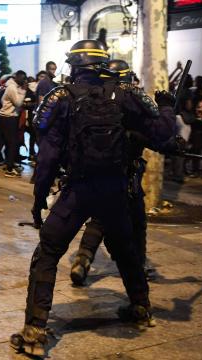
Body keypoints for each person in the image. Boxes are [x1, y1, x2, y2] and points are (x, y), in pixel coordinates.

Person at [10, 40, 176, 357]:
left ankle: (34, 330)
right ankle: (141, 307)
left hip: (78, 190)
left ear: (73, 65)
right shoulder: (126, 95)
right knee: (126, 251)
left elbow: (47, 157)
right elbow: (162, 133)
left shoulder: (60, 97)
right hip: (114, 191)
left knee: (47, 253)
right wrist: (167, 105)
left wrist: (39, 199)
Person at [69, 59, 175, 286]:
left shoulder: (94, 100)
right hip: (125, 178)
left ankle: (83, 257)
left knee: (98, 219)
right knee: (136, 223)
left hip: (97, 175)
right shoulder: (131, 103)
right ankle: (139, 270)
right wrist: (166, 110)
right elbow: (158, 135)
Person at [0, 70, 27, 177]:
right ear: (16, 77)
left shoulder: (11, 86)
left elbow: (7, 101)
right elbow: (18, 102)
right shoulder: (12, 88)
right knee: (12, 143)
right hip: (8, 118)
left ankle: (8, 162)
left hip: (5, 117)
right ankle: (9, 169)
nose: (24, 80)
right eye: (22, 78)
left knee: (7, 142)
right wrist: (23, 91)